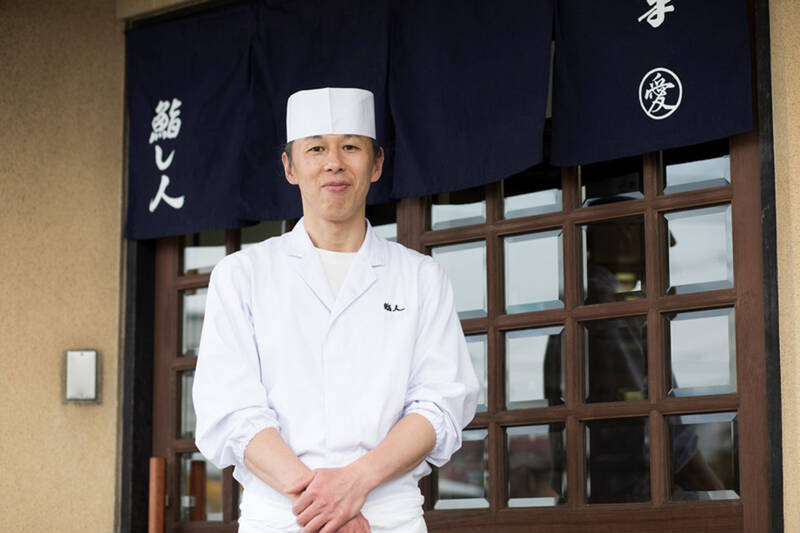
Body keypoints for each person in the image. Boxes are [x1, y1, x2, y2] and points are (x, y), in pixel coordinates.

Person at [193, 87, 480, 533]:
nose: (333, 163)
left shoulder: (421, 277)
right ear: (289, 167)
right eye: (316, 149)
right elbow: (231, 409)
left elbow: (441, 402)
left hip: (388, 516)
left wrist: (355, 483)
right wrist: (325, 506)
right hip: (282, 517)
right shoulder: (242, 275)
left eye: (350, 147)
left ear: (377, 164)